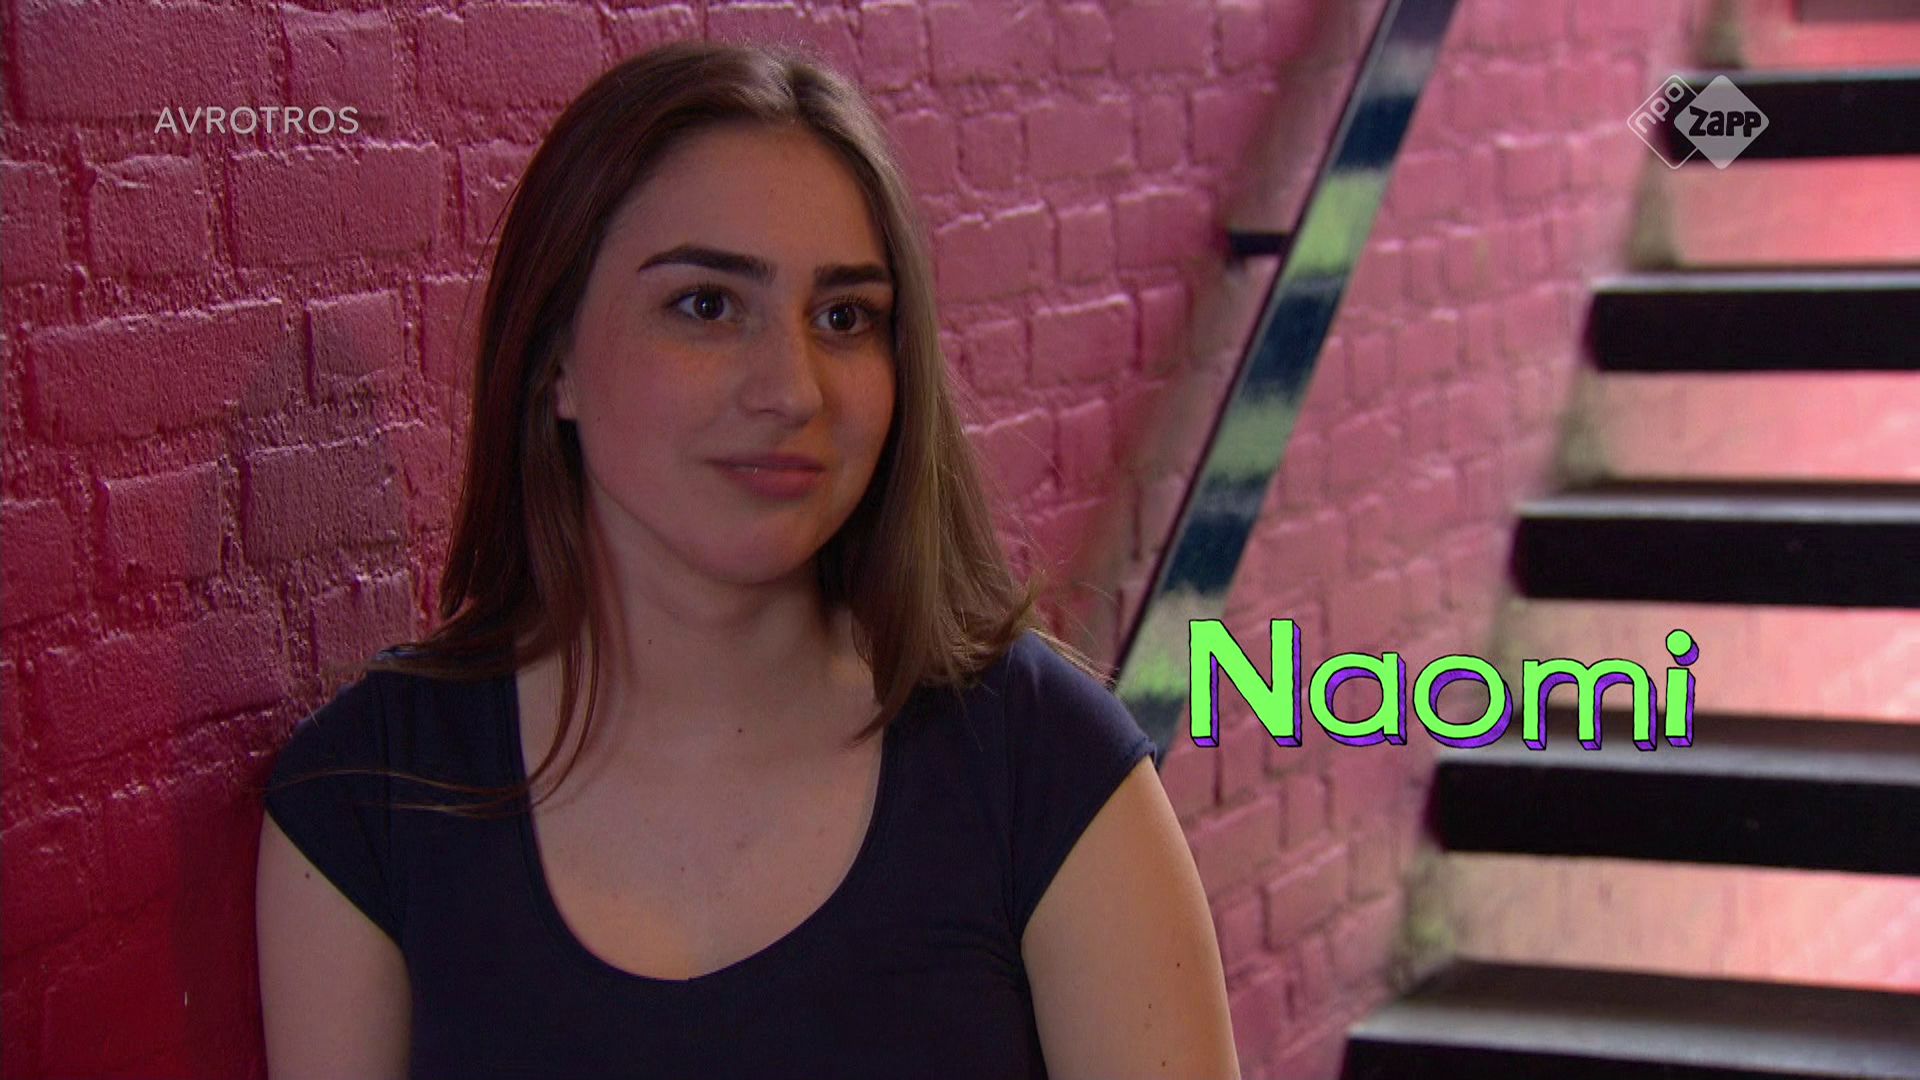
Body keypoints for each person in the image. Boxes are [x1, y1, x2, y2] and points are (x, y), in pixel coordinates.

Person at [255, 39, 1239, 1080]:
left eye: (845, 318)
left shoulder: (1039, 764)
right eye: (709, 306)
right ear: (555, 363)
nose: (793, 390)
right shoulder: (367, 800)